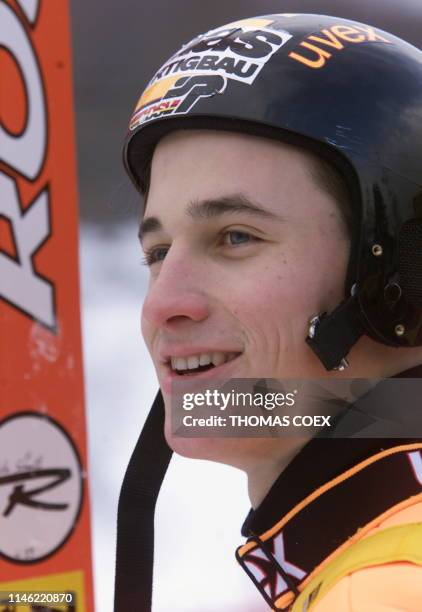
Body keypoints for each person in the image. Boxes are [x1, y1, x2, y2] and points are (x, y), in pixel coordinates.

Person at [114, 13, 422, 611]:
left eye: (235, 238)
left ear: (401, 279)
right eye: (156, 252)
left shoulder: (387, 587)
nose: (163, 304)